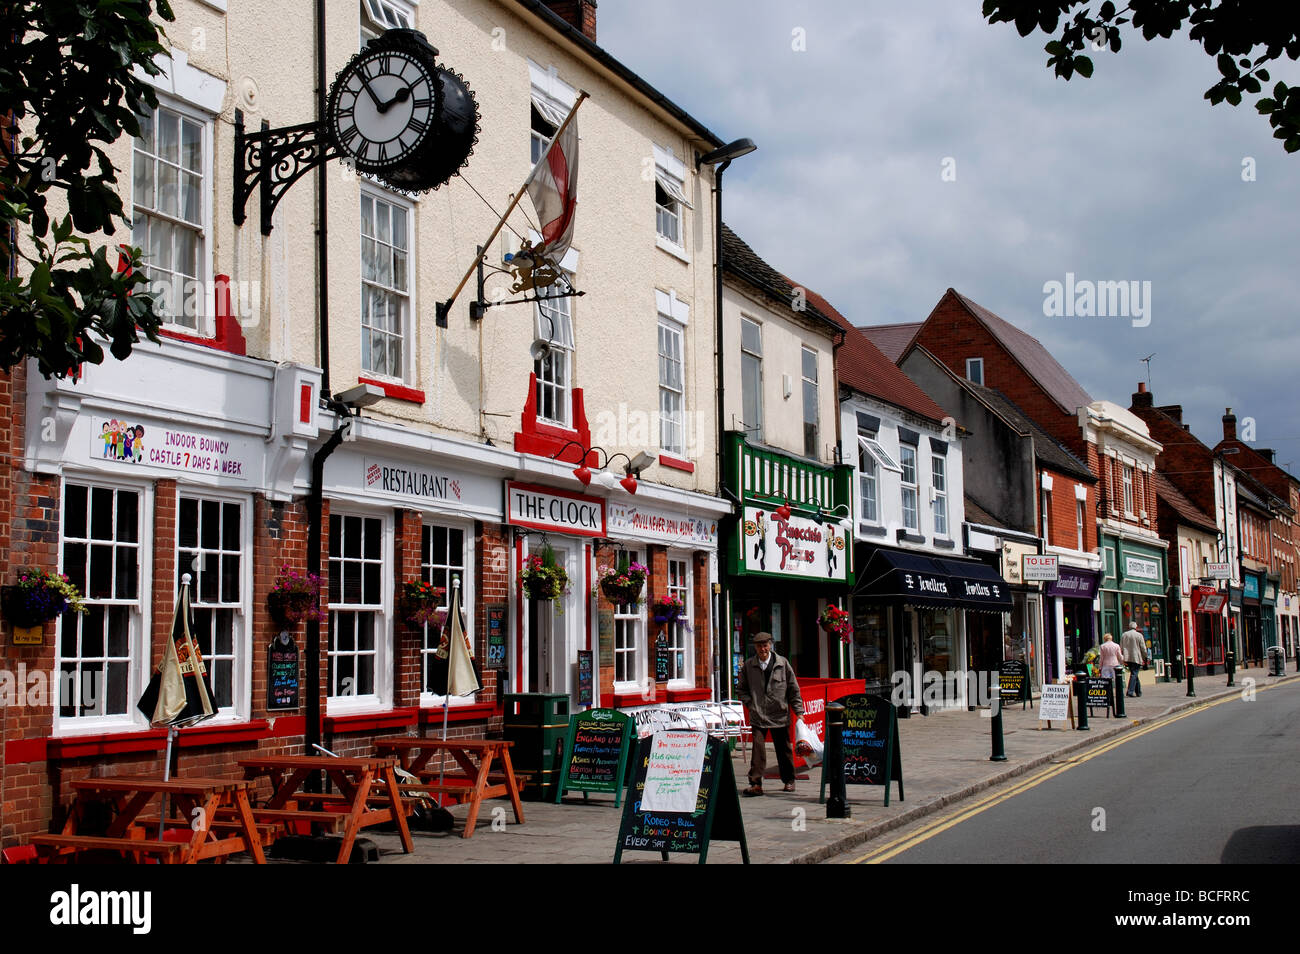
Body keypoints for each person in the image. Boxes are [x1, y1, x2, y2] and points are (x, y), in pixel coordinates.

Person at [736, 632, 803, 796]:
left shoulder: (783, 664)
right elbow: (741, 690)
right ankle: (756, 783)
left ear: (770, 645)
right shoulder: (749, 666)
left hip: (779, 714)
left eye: (765, 645)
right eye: (759, 646)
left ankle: (789, 780)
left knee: (784, 749)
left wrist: (799, 712)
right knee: (758, 750)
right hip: (758, 714)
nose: (762, 649)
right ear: (755, 648)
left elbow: (793, 690)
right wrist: (750, 704)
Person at [1121, 620, 1148, 697]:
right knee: (1134, 674)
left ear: (1129, 627)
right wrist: (1145, 656)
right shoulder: (1139, 635)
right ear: (1136, 627)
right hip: (1136, 657)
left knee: (1134, 673)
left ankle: (1138, 692)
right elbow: (1143, 648)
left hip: (1127, 657)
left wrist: (1123, 657)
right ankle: (1130, 691)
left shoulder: (1124, 635)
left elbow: (1121, 646)